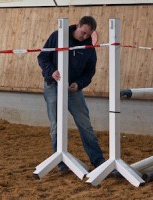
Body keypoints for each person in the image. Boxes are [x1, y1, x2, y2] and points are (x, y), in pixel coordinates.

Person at [37, 16, 105, 173]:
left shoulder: (89, 48)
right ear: (78, 25)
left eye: (89, 35)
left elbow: (89, 72)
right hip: (52, 85)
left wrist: (79, 84)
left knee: (85, 125)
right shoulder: (57, 36)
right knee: (56, 126)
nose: (85, 37)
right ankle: (61, 162)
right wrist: (51, 71)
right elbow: (42, 57)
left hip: (73, 90)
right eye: (83, 32)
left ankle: (98, 160)